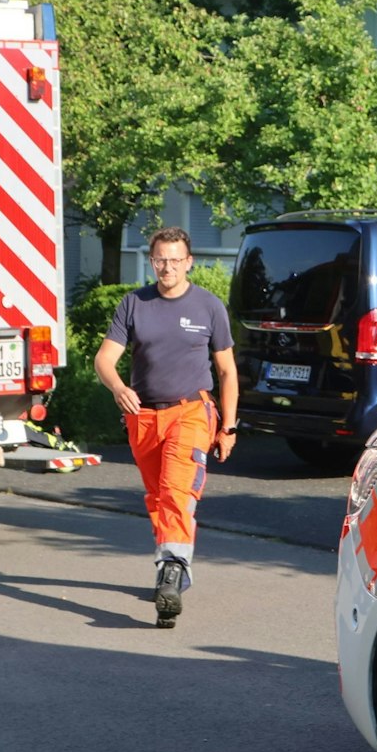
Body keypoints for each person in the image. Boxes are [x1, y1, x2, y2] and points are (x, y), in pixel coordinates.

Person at [94, 228, 239, 628]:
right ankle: (168, 569)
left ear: (189, 262)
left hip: (191, 412)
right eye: (161, 260)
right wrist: (119, 387)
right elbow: (105, 359)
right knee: (159, 497)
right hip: (143, 418)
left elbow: (227, 371)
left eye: (176, 260)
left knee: (177, 493)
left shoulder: (209, 306)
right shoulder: (134, 304)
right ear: (151, 261)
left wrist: (228, 427)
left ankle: (172, 573)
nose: (168, 267)